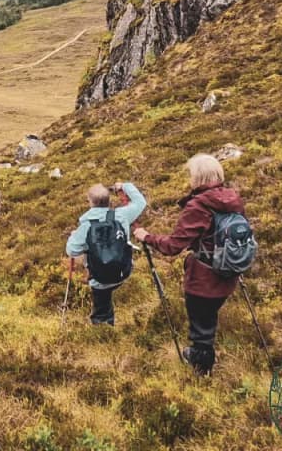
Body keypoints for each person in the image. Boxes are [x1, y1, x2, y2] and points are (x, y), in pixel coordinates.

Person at [134, 154, 243, 376]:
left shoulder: (199, 206)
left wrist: (147, 237)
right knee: (208, 317)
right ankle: (204, 355)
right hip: (229, 271)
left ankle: (202, 371)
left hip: (204, 278)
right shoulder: (232, 199)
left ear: (197, 177)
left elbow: (173, 246)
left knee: (201, 327)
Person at [65, 181, 147, 325]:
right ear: (109, 200)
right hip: (123, 271)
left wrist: (74, 236)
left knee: (102, 307)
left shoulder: (87, 225)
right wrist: (124, 186)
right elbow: (141, 202)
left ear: (90, 202)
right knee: (111, 285)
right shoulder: (121, 215)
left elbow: (71, 250)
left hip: (99, 278)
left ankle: (103, 330)